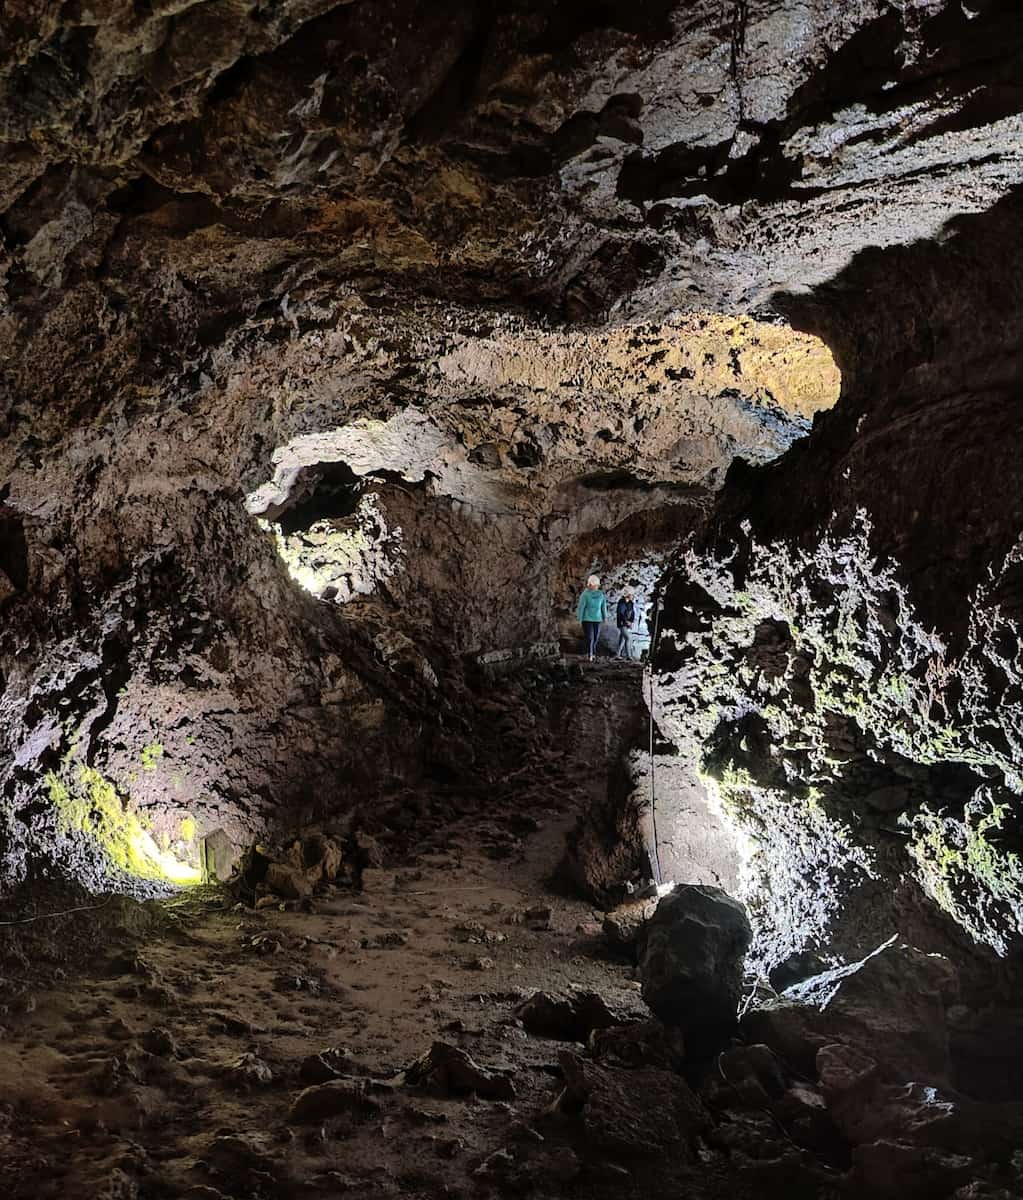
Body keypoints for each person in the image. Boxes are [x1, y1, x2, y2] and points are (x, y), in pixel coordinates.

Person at [575, 574, 607, 662]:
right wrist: (579, 618)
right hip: (587, 619)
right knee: (590, 637)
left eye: (597, 585)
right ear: (590, 585)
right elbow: (581, 607)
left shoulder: (601, 594)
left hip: (597, 619)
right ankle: (590, 654)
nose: (595, 587)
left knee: (596, 637)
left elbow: (603, 606)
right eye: (594, 585)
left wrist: (605, 617)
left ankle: (593, 652)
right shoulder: (585, 595)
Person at [616, 589, 636, 659]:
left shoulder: (631, 603)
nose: (633, 596)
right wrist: (626, 621)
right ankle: (629, 656)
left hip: (627, 623)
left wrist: (631, 622)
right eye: (632, 594)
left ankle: (617, 655)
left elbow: (632, 613)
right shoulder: (621, 603)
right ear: (628, 595)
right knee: (628, 638)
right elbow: (620, 613)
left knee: (622, 639)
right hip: (622, 623)